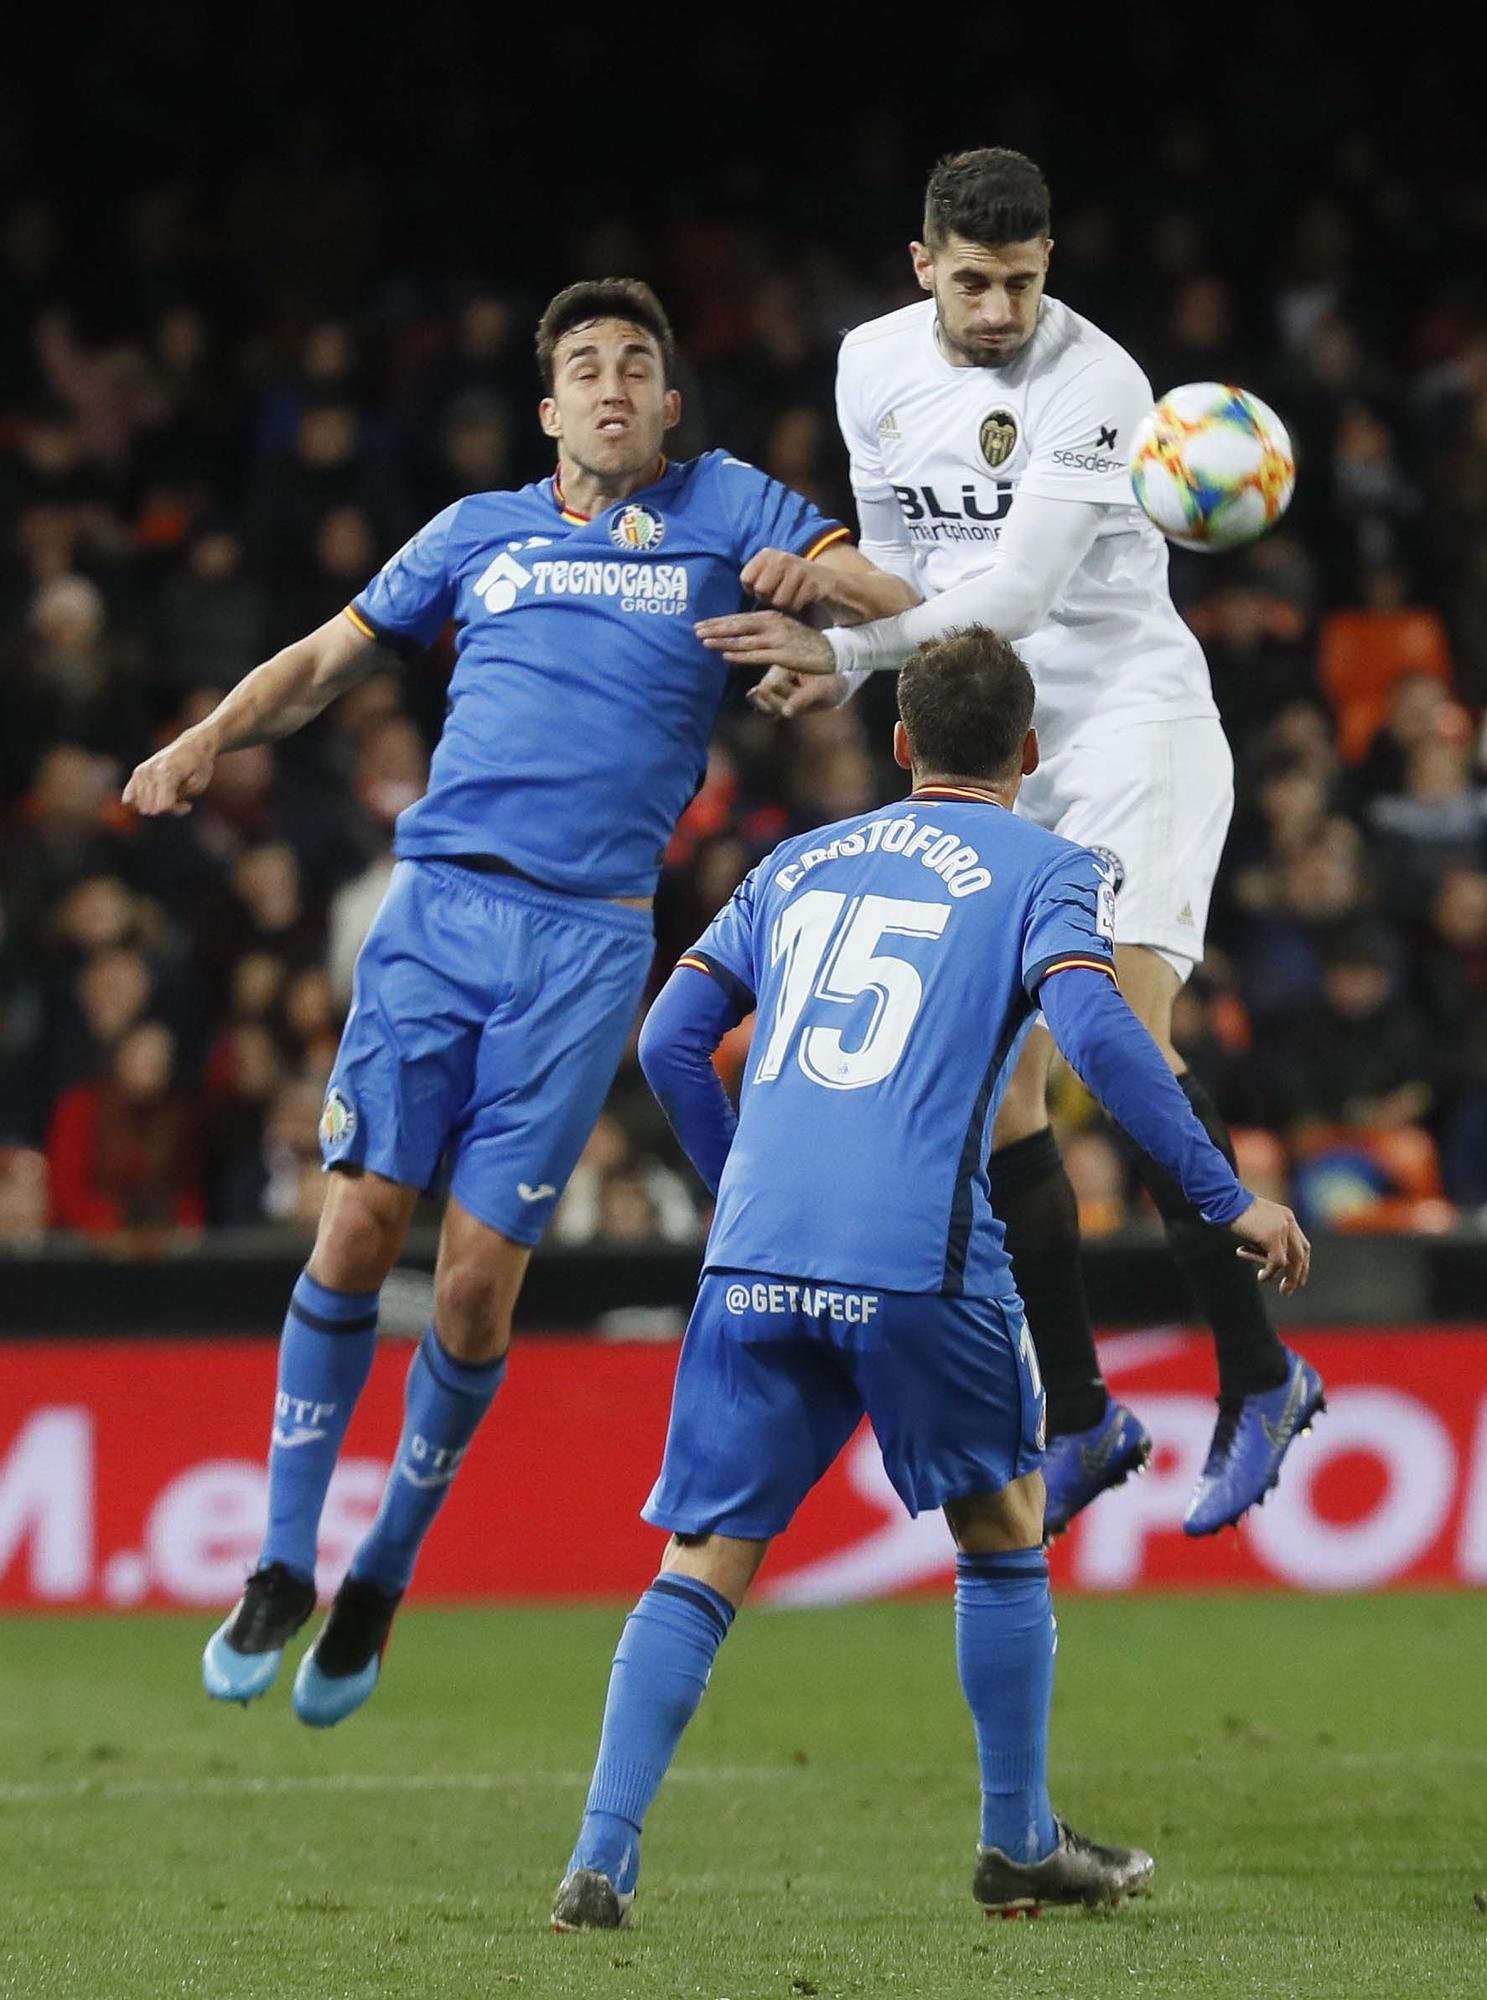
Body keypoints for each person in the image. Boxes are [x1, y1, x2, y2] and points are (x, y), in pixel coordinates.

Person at [123, 277, 912, 1725]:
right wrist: (206, 735)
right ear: (549, 411)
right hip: (438, 913)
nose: (614, 385)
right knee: (358, 1219)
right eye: (587, 368)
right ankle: (285, 1561)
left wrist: (832, 611)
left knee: (479, 1285)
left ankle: (384, 1574)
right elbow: (320, 661)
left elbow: (892, 593)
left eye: (638, 367)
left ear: (670, 404)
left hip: (586, 941)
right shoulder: (474, 533)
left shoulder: (728, 505)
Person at [552, 630, 1310, 1930]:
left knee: (704, 1558)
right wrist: (1222, 1194)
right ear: (1030, 753)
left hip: (756, 1259)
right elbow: (1097, 1033)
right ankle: (1016, 1842)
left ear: (900, 745)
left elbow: (674, 1035)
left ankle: (601, 1860)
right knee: (1005, 1527)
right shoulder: (1050, 866)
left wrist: (739, 1180)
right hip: (916, 1259)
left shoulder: (796, 863)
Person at [696, 148, 1324, 1537]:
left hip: (1125, 733)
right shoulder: (869, 364)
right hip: (1005, 743)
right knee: (1008, 1100)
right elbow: (922, 572)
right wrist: (846, 637)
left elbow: (1027, 593)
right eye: (973, 283)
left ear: (1050, 270)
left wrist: (849, 646)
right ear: (923, 265)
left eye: (1022, 283)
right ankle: (1087, 1410)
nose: (997, 311)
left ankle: (1263, 1375)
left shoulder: (1097, 380)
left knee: (1121, 1047)